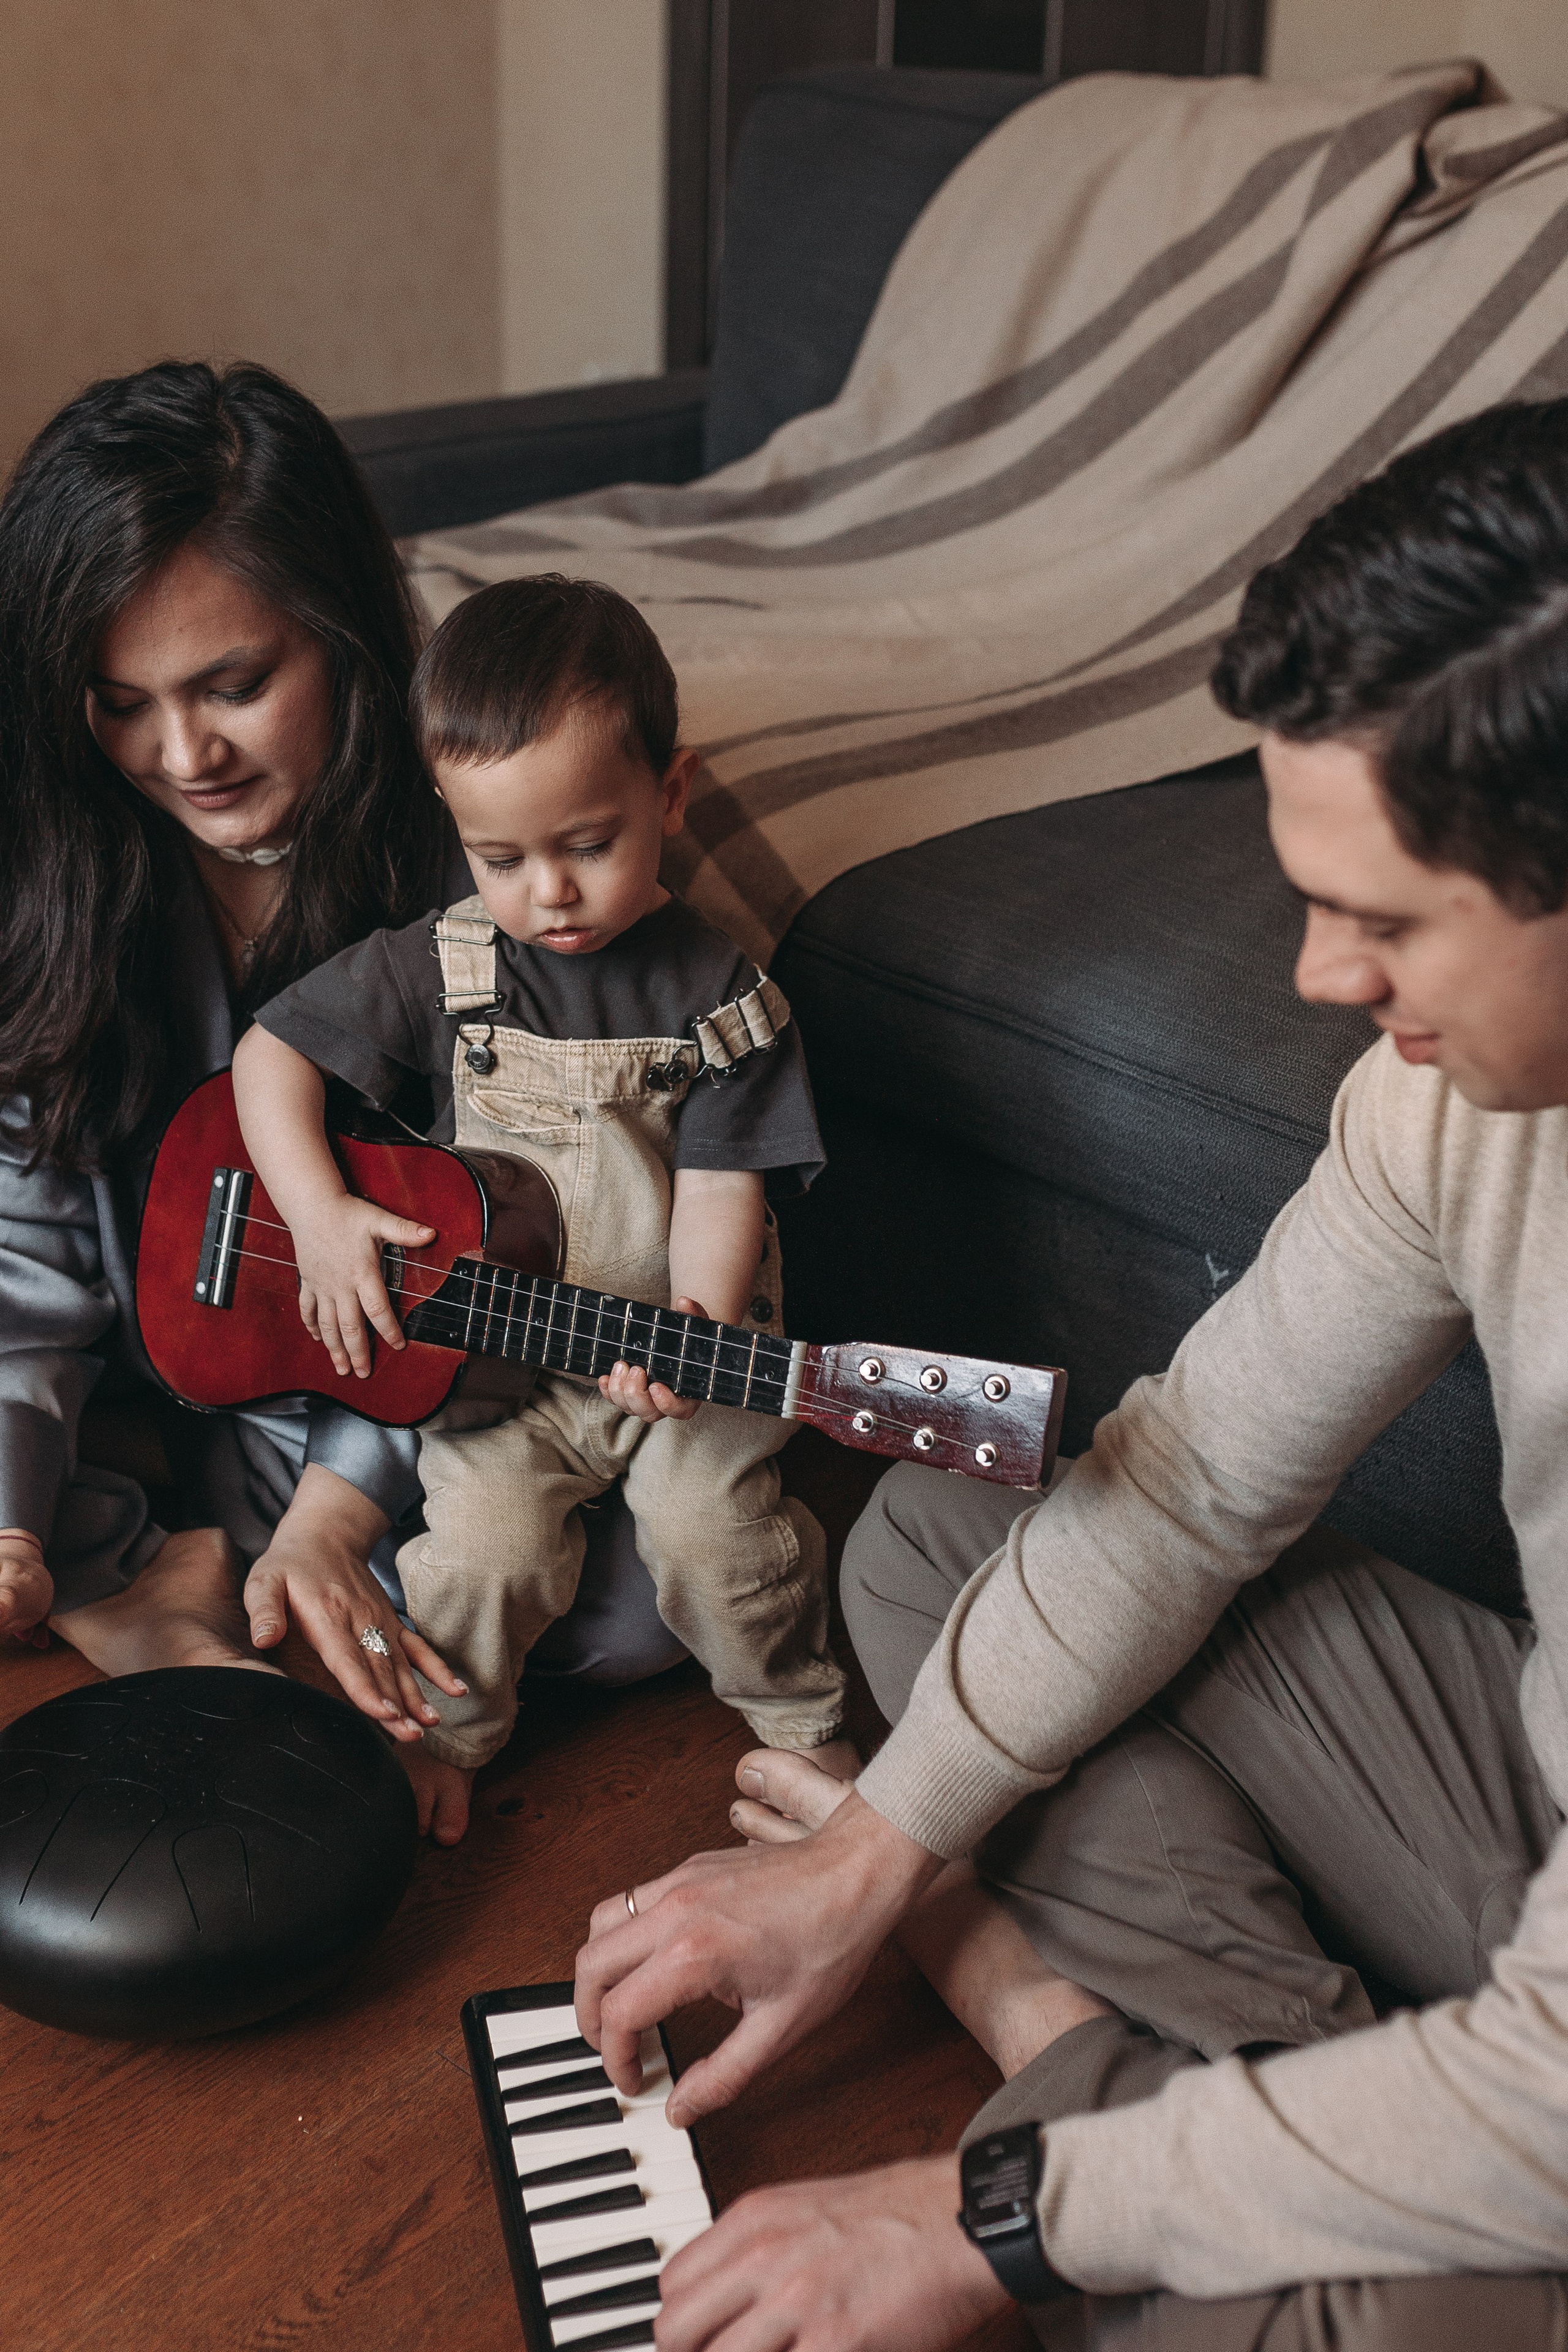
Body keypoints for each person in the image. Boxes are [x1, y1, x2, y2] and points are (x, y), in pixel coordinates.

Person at [570, 398, 1568, 2352]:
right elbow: (1192, 1477)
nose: (1319, 979)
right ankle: (1307, 2166)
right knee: (944, 1540)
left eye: (1385, 920)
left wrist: (999, 2210)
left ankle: (1101, 2070)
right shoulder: (1456, 1105)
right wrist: (869, 1860)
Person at [0, 362, 685, 1846]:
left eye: (235, 687)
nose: (184, 760)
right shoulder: (70, 861)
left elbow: (486, 1230)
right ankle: (147, 1554)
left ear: (347, 638)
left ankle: (188, 1554)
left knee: (636, 1614)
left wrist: (339, 1504)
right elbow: (30, 1246)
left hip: (434, 1366)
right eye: (123, 706)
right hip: (179, 1343)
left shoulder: (484, 870)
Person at [232, 576, 853, 1833]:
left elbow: (722, 1187)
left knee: (713, 1541)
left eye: (588, 844)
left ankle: (805, 1728)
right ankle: (447, 1738)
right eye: (501, 856)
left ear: (667, 798)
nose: (548, 893)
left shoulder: (723, 1000)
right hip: (507, 1362)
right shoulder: (446, 961)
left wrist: (697, 1324)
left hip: (683, 1352)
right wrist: (322, 1215)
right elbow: (269, 1056)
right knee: (476, 1553)